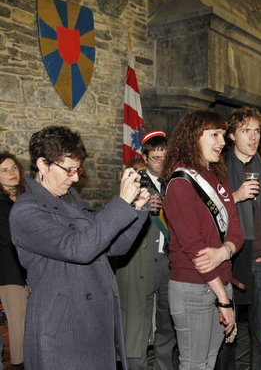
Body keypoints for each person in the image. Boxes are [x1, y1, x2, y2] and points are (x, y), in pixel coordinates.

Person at [9, 126, 150, 370]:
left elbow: (112, 247)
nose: (75, 178)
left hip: (92, 321)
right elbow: (79, 249)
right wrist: (120, 203)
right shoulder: (26, 211)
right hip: (63, 330)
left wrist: (136, 210)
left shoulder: (70, 198)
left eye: (78, 170)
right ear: (43, 164)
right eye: (69, 170)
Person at [162, 110, 244, 369]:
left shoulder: (217, 176)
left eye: (222, 135)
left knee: (209, 362)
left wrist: (223, 252)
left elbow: (236, 229)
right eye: (215, 135)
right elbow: (194, 247)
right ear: (193, 137)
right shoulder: (180, 183)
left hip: (222, 279)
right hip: (193, 287)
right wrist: (223, 298)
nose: (222, 142)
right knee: (195, 363)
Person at [215, 106, 261, 370]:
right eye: (245, 131)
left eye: (256, 131)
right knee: (226, 333)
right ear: (231, 135)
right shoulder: (218, 168)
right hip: (231, 257)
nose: (253, 137)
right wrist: (235, 196)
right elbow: (205, 211)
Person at [116, 131, 177, 370]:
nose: (160, 163)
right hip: (141, 260)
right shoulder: (134, 181)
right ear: (145, 157)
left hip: (169, 261)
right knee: (137, 324)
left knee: (167, 322)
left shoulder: (178, 180)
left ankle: (164, 366)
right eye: (155, 158)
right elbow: (116, 215)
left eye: (165, 157)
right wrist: (136, 207)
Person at [0, 152, 28, 369]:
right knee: (18, 327)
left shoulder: (28, 197)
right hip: (10, 272)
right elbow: (9, 238)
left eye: (13, 168)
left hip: (33, 269)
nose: (11, 173)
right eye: (4, 170)